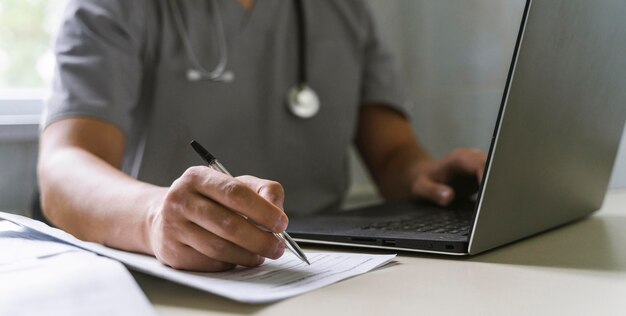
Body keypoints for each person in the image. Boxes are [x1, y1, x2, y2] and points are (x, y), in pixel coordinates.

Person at [38, 0, 486, 272]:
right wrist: (154, 217)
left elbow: (393, 155)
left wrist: (426, 176)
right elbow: (63, 169)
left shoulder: (346, 9)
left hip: (334, 271)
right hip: (180, 277)